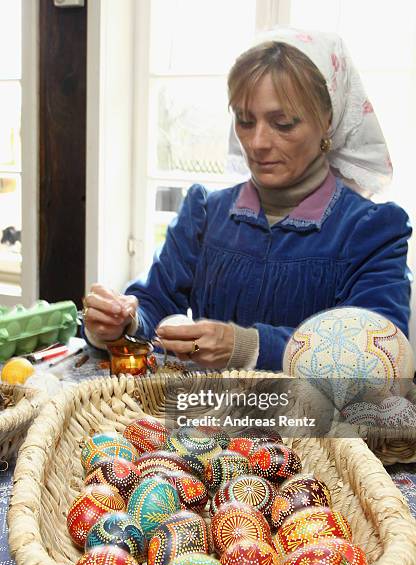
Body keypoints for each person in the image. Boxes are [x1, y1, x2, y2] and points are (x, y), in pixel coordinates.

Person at [83, 28, 412, 372]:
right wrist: (122, 323)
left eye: (282, 123)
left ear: (328, 121)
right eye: (245, 120)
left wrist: (249, 347)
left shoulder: (370, 232)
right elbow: (154, 301)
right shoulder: (206, 214)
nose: (257, 142)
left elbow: (379, 358)